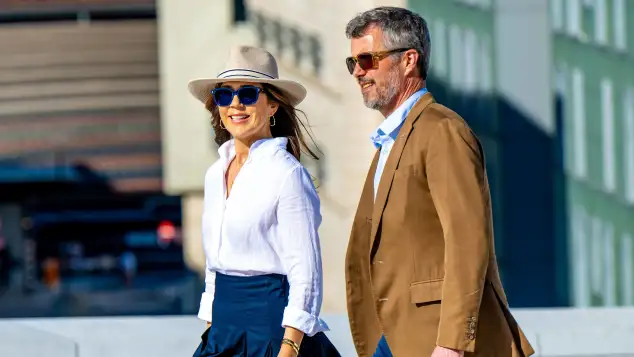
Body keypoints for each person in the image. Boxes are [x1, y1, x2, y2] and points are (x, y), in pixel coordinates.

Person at [343, 7, 535, 357]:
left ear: (408, 60)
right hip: (395, 336)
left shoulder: (442, 130)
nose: (358, 72)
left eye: (368, 59)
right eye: (353, 63)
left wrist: (451, 343)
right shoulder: (391, 140)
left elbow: (468, 241)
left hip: (437, 342)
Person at [187, 46, 340, 357]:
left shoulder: (288, 174)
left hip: (272, 331)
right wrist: (210, 326)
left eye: (247, 94)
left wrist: (290, 346)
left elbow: (306, 271)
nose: (235, 104)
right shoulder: (215, 174)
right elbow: (214, 265)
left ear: (272, 106)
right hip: (222, 330)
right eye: (224, 96)